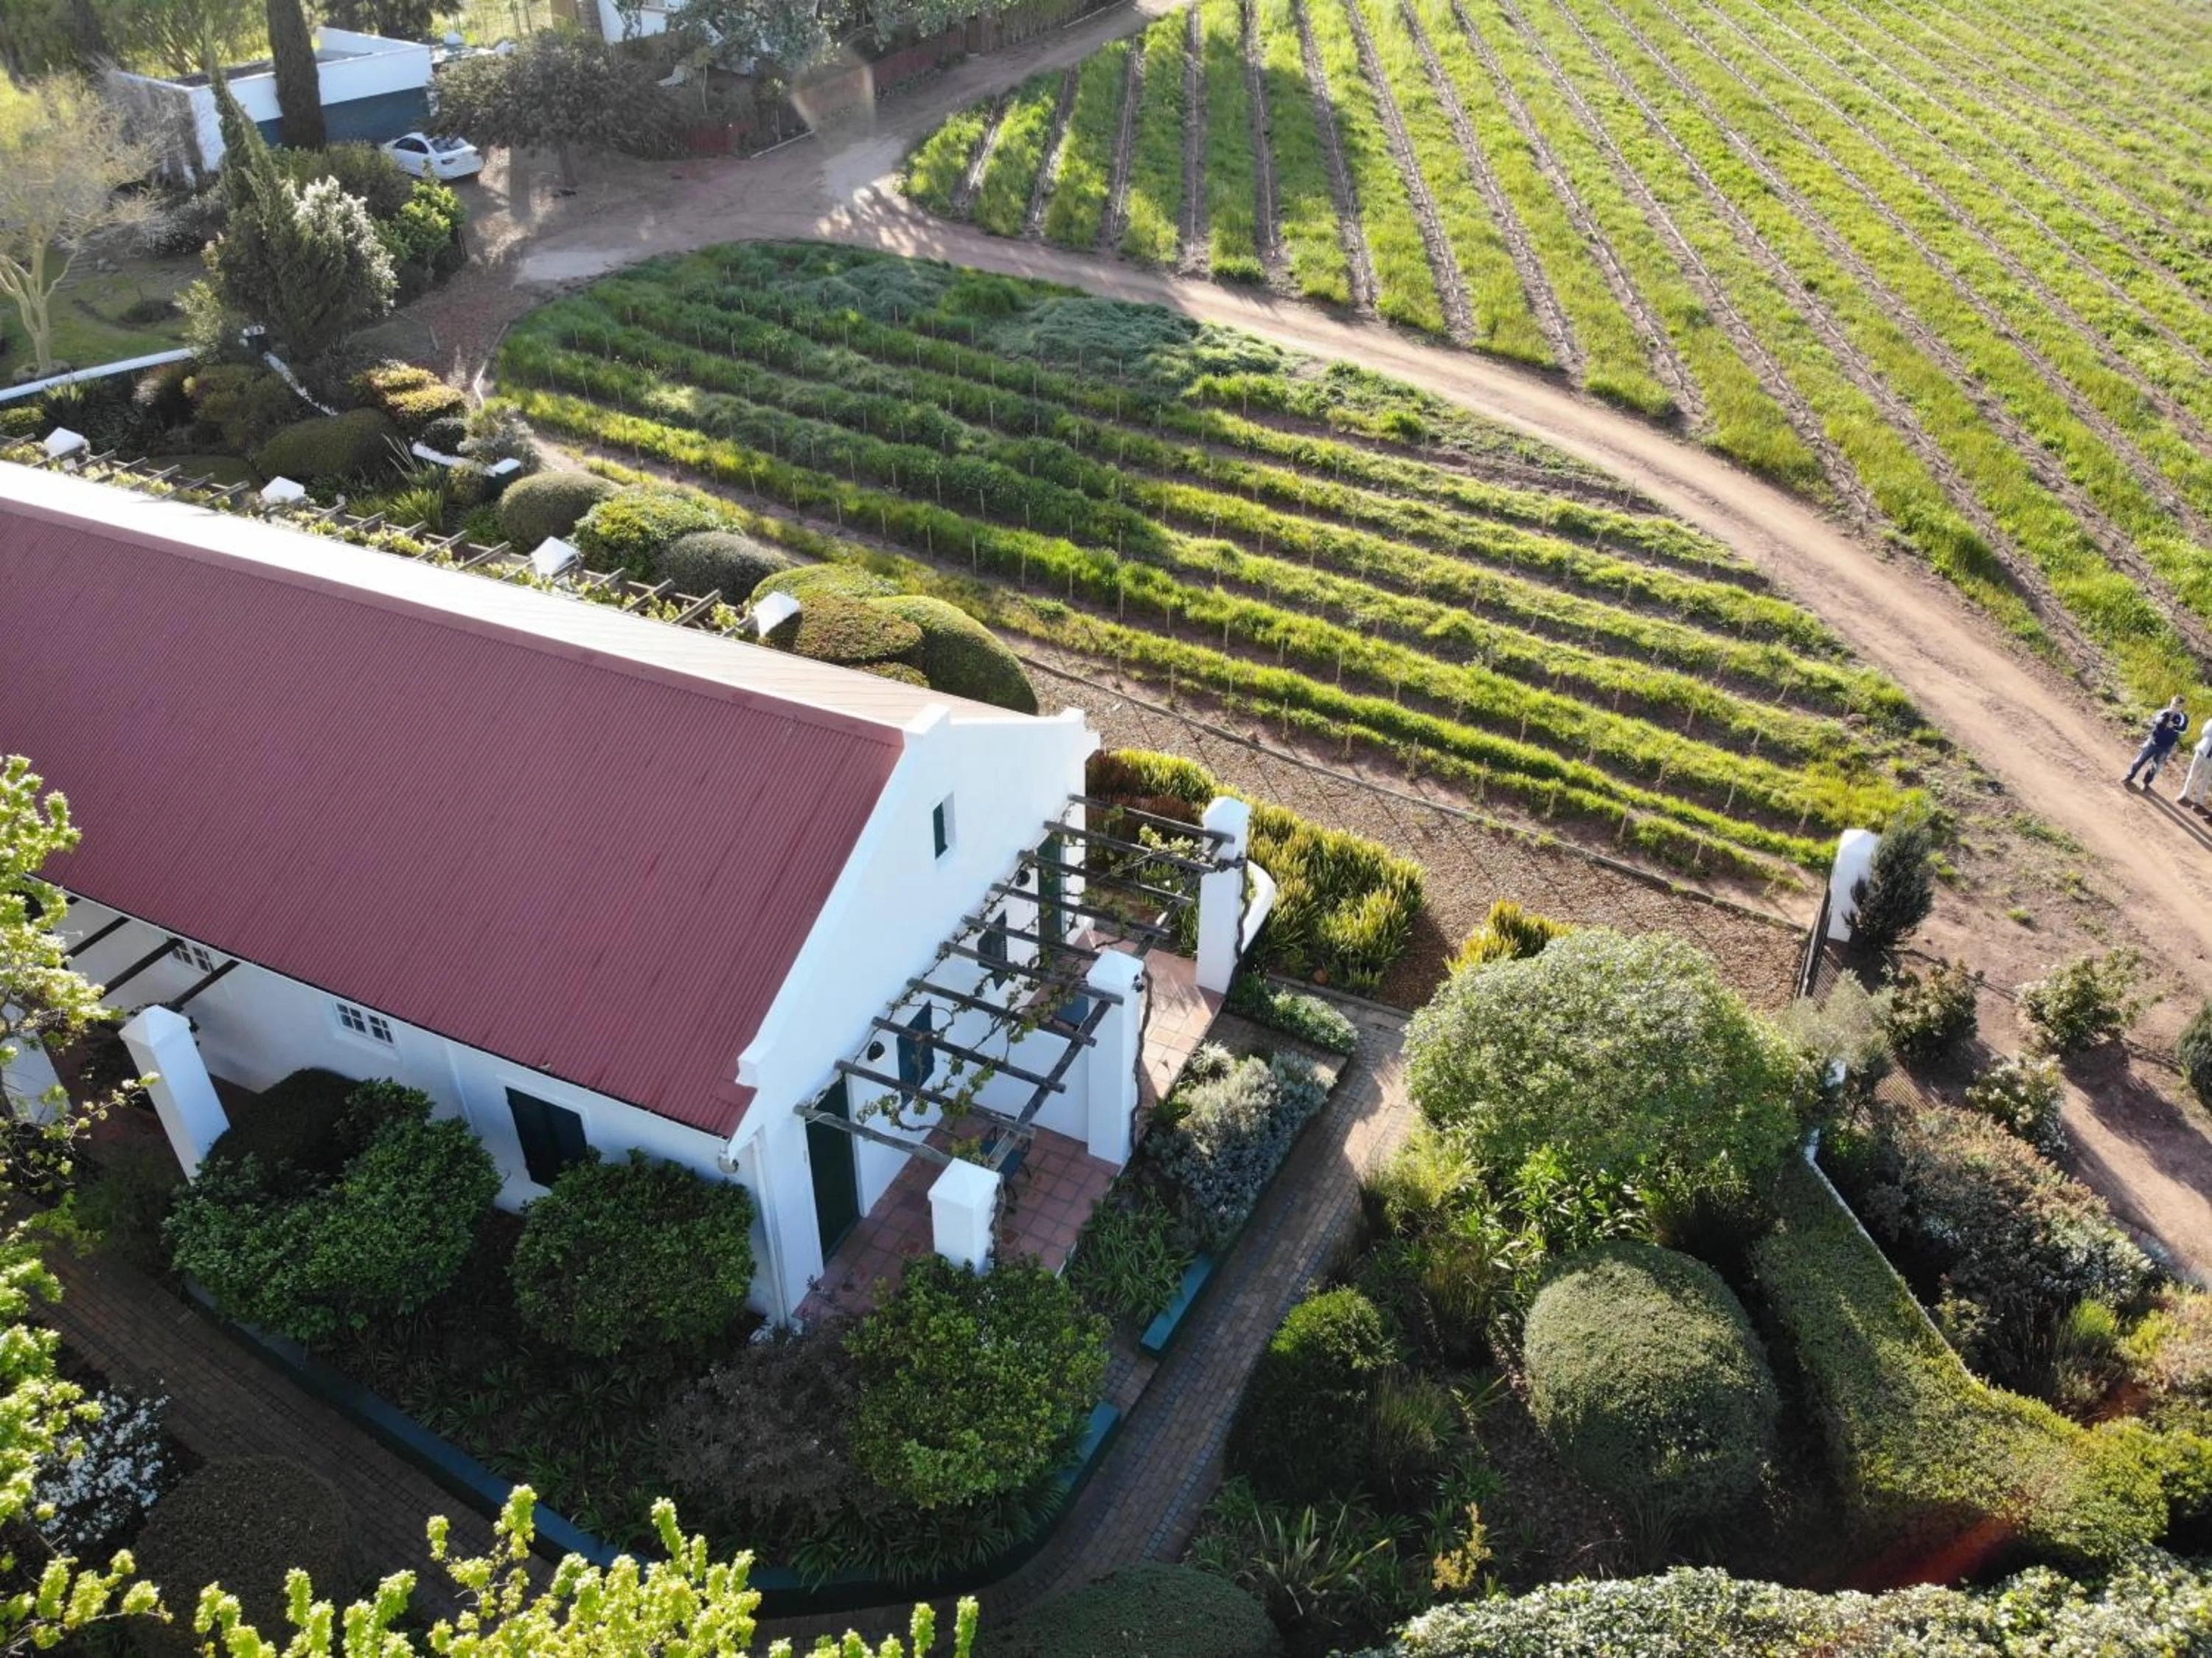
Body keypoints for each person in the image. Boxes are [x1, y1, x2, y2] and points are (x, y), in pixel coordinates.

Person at [2126, 696, 2191, 791]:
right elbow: (2154, 720)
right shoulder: (2165, 712)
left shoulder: (2183, 718)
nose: (2174, 707)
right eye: (2173, 704)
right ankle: (2130, 776)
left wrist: (2174, 727)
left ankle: (2146, 782)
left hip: (2166, 746)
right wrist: (2163, 721)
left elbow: (2184, 730)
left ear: (2182, 707)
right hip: (2154, 741)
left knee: (2155, 766)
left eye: (2177, 706)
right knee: (2139, 760)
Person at [2183, 724, 2212, 812]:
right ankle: (2185, 795)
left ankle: (2198, 802)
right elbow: (2205, 732)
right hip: (2201, 751)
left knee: (2205, 781)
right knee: (2192, 775)